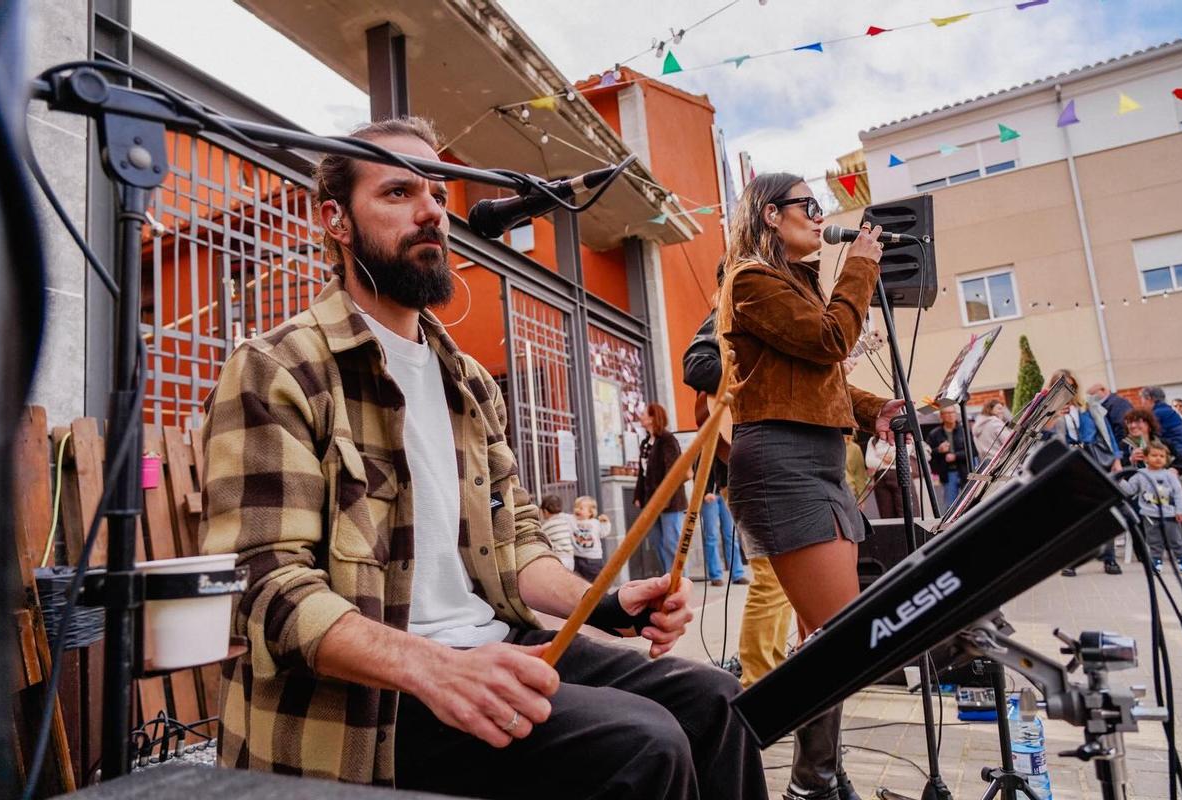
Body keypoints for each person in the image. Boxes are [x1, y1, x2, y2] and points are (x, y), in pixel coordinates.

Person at [199, 117, 766, 799]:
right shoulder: (278, 369)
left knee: (718, 702)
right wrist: (435, 667)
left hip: (494, 647)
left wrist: (607, 604)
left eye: (436, 194)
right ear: (336, 221)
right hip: (370, 705)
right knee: (643, 744)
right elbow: (265, 590)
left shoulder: (465, 380)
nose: (431, 211)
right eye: (399, 193)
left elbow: (516, 541)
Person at [718, 172, 903, 800]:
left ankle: (820, 776)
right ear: (771, 214)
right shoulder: (751, 277)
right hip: (783, 463)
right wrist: (862, 267)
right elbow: (830, 341)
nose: (820, 217)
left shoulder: (793, 281)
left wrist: (875, 407)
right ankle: (809, 781)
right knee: (842, 637)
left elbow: (810, 381)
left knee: (825, 639)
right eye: (809, 206)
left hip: (815, 460)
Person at [682, 276, 791, 684]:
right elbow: (698, 365)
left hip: (767, 459)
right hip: (746, 460)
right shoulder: (724, 315)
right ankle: (758, 683)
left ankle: (772, 673)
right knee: (771, 576)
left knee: (781, 578)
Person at [1051, 369, 1123, 577]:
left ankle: (1109, 558)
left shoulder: (1087, 406)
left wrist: (1116, 458)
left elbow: (1106, 432)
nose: (1066, 388)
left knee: (1104, 508)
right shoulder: (1048, 411)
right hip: (1066, 464)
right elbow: (1042, 438)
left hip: (1093, 460)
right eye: (1061, 384)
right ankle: (1072, 561)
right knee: (1072, 515)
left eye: (1070, 384)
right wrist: (1054, 417)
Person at [634, 402, 690, 573]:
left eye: (644, 414)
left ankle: (679, 581)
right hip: (650, 502)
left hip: (669, 501)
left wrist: (664, 497)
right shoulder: (645, 443)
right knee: (657, 541)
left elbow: (672, 471)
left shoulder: (667, 440)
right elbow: (643, 473)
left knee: (671, 542)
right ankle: (668, 577)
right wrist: (638, 495)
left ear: (652, 418)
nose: (641, 416)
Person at [1121, 442, 1182, 574]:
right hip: (1149, 515)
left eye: (1161, 456)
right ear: (1145, 458)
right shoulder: (1140, 474)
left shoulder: (1169, 475)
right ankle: (1156, 561)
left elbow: (1178, 493)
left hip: (1170, 515)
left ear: (1166, 459)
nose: (1158, 458)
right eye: (1154, 455)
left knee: (1176, 539)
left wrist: (1180, 510)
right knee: (1154, 541)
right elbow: (1130, 490)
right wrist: (1120, 479)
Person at [865, 436, 926, 520]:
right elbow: (869, 461)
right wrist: (885, 461)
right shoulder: (873, 440)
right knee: (886, 515)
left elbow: (902, 455)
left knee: (908, 512)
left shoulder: (903, 435)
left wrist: (882, 459)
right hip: (881, 477)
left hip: (901, 474)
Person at [927, 406, 970, 510]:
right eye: (947, 413)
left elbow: (973, 452)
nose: (950, 415)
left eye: (952, 412)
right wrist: (939, 450)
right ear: (941, 416)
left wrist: (956, 456)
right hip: (947, 473)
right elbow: (928, 453)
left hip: (965, 471)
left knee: (969, 502)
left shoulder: (964, 431)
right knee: (951, 506)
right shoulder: (934, 434)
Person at [1139, 386, 1182, 470]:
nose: (1142, 404)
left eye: (1142, 400)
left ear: (1149, 398)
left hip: (1181, 460)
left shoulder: (1157, 415)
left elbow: (1148, 441)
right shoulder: (1167, 410)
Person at [571, 495, 609, 581]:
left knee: (596, 582)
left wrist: (605, 523)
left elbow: (603, 533)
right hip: (577, 558)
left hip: (593, 559)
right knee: (579, 582)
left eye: (581, 508)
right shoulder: (572, 521)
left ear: (590, 512)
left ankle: (601, 594)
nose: (577, 510)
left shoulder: (595, 523)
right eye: (575, 507)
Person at [539, 494, 576, 571]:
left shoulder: (546, 526)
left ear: (545, 511)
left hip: (558, 558)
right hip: (570, 558)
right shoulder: (566, 520)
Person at [972, 398, 1010, 463]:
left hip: (988, 464)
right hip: (1002, 463)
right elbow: (1010, 441)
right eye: (999, 408)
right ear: (990, 410)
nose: (1002, 411)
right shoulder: (995, 423)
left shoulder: (977, 426)